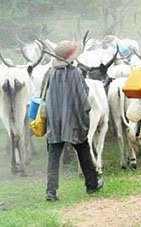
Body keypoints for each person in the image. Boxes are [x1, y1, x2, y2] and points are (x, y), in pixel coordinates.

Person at [44, 40, 103, 201]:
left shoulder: (50, 73)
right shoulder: (75, 73)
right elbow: (83, 97)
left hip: (55, 122)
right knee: (83, 150)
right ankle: (92, 184)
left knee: (54, 155)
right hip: (73, 121)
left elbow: (45, 97)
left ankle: (51, 191)